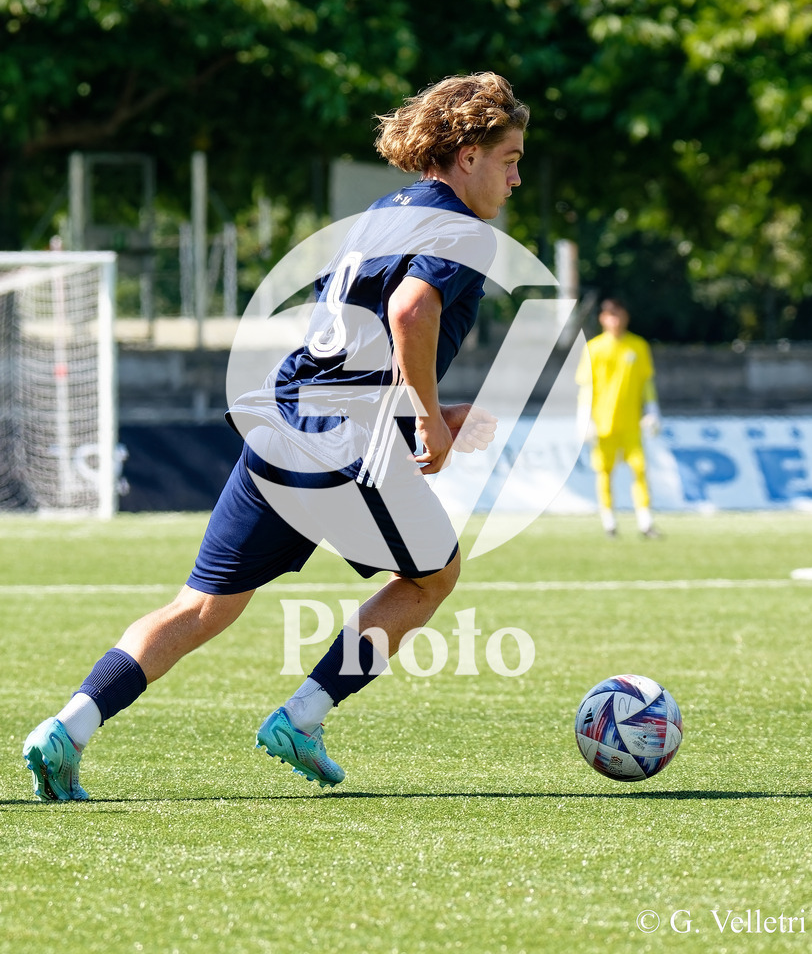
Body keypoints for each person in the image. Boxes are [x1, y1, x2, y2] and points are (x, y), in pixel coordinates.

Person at [23, 72, 529, 800]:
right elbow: (411, 314)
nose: (516, 177)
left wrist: (432, 409)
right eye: (509, 157)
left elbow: (356, 341)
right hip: (344, 435)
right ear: (465, 155)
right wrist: (425, 418)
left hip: (284, 421)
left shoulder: (384, 213)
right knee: (432, 578)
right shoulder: (456, 230)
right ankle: (305, 714)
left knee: (201, 607)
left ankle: (65, 728)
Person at [576, 297, 661, 538]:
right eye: (610, 316)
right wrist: (585, 419)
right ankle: (609, 522)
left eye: (619, 315)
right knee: (604, 472)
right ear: (603, 319)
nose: (615, 320)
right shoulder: (593, 348)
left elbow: (647, 383)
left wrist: (653, 411)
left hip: (631, 423)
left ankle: (645, 522)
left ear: (626, 317)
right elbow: (586, 386)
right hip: (603, 424)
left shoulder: (638, 346)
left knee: (640, 470)